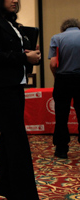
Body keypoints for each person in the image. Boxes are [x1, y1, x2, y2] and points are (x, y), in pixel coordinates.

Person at [0, 0, 41, 199]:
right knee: (17, 138)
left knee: (10, 137)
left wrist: (30, 53)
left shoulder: (12, 23)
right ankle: (24, 194)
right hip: (0, 87)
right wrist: (24, 57)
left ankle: (5, 187)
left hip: (14, 84)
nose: (15, 1)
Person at [48, 18, 80, 159]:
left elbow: (54, 63)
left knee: (61, 116)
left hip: (63, 79)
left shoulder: (56, 38)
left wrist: (57, 77)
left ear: (63, 28)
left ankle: (61, 150)